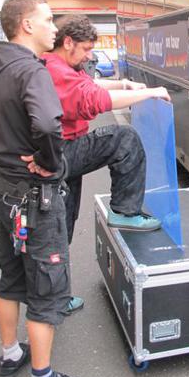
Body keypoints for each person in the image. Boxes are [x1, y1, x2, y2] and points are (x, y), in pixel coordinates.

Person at [0, 0, 93, 377]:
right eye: (47, 20)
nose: (54, 28)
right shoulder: (32, 70)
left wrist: (3, 148)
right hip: (34, 197)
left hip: (4, 190)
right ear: (26, 25)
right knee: (47, 288)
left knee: (11, 277)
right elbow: (46, 123)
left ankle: (11, 355)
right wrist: (50, 162)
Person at [37, 15, 170, 251]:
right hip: (63, 150)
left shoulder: (63, 66)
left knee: (63, 224)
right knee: (124, 138)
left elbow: (89, 84)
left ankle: (58, 271)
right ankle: (125, 212)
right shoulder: (55, 70)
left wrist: (124, 84)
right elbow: (95, 99)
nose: (90, 56)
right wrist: (150, 93)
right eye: (86, 49)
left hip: (63, 149)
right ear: (68, 42)